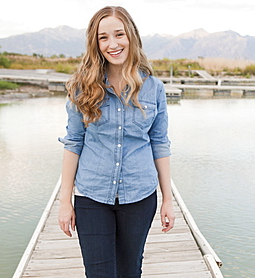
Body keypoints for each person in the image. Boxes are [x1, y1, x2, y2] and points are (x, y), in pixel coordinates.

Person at [58, 6, 175, 278]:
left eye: (119, 34)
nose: (113, 44)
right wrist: (65, 202)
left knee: (129, 271)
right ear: (96, 43)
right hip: (92, 196)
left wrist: (168, 199)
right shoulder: (82, 87)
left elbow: (160, 143)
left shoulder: (154, 89)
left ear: (131, 36)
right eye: (103, 37)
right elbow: (73, 142)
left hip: (140, 196)